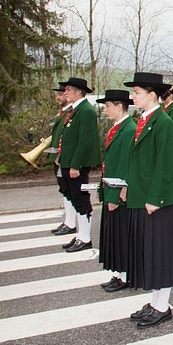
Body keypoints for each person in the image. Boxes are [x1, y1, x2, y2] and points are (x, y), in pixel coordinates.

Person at [121, 72, 173, 328]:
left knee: (160, 253)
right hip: (140, 195)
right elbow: (136, 160)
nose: (133, 96)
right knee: (148, 251)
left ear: (152, 94)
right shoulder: (144, 119)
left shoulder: (163, 122)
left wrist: (156, 197)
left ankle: (163, 305)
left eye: (137, 92)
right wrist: (127, 187)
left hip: (154, 199)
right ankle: (155, 301)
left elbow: (164, 163)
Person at [97, 89, 136, 292]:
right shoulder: (118, 127)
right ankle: (119, 273)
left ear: (120, 106)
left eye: (108, 106)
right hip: (110, 187)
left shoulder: (129, 129)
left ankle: (125, 275)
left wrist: (115, 195)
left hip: (118, 192)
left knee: (121, 236)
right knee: (113, 234)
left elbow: (124, 165)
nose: (105, 110)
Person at [57, 77, 101, 253]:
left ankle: (85, 238)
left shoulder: (86, 110)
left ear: (78, 92)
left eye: (68, 90)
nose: (65, 92)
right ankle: (80, 235)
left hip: (77, 164)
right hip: (69, 161)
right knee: (74, 197)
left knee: (81, 199)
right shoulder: (76, 109)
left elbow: (85, 141)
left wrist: (76, 165)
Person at [49, 86, 76, 236]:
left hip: (64, 158)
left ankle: (71, 223)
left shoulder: (71, 113)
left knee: (69, 191)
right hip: (59, 157)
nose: (58, 97)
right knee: (64, 190)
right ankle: (68, 221)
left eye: (61, 94)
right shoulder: (64, 113)